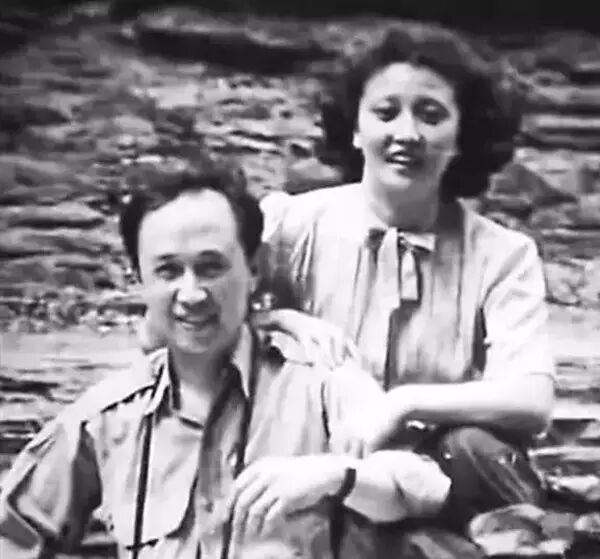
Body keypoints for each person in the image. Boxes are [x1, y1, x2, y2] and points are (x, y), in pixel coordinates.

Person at [0, 156, 452, 559]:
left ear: (253, 270)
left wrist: (338, 476)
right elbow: (15, 531)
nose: (191, 294)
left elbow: (422, 489)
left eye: (211, 267)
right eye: (168, 271)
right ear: (139, 280)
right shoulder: (109, 418)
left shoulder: (323, 384)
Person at [257, 24, 556, 532]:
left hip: (438, 497)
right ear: (355, 128)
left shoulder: (502, 256)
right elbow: (186, 329)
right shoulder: (290, 226)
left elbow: (532, 400)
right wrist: (282, 320)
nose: (407, 133)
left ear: (462, 135)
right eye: (385, 112)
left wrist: (403, 403)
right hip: (305, 483)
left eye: (431, 115)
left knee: (476, 451)